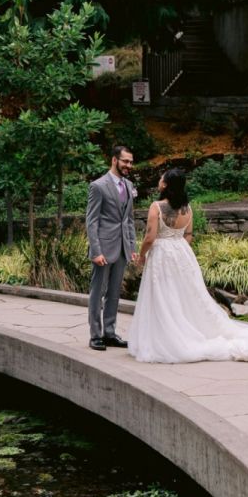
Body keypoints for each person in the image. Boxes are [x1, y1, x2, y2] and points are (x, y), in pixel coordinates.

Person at [128, 168, 248, 365]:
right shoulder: (187, 208)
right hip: (182, 253)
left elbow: (150, 237)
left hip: (161, 254)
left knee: (164, 294)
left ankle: (168, 337)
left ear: (165, 184)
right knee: (186, 294)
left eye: (161, 178)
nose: (159, 180)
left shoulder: (156, 206)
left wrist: (141, 256)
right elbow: (188, 235)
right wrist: (178, 250)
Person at [86, 145, 138, 350]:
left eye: (131, 162)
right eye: (125, 161)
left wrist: (132, 245)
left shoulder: (128, 185)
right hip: (104, 248)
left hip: (123, 248)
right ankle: (95, 335)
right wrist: (96, 251)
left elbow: (129, 219)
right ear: (114, 160)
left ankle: (109, 332)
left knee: (114, 293)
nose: (129, 165)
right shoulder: (98, 186)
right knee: (97, 292)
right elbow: (91, 221)